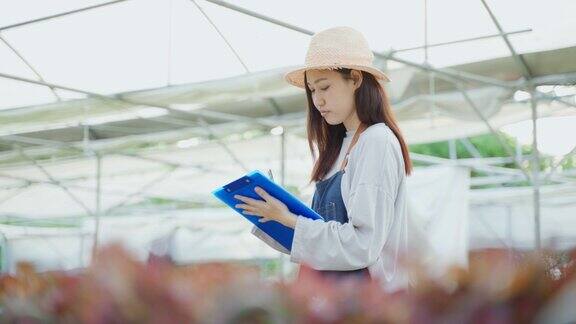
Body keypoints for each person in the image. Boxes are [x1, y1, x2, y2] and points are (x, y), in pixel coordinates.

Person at [234, 26, 415, 292]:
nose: (318, 100)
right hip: (333, 299)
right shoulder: (338, 146)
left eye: (325, 87)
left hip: (364, 304)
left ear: (355, 79)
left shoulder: (376, 141)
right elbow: (320, 245)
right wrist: (270, 214)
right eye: (312, 91)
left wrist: (291, 220)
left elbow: (362, 245)